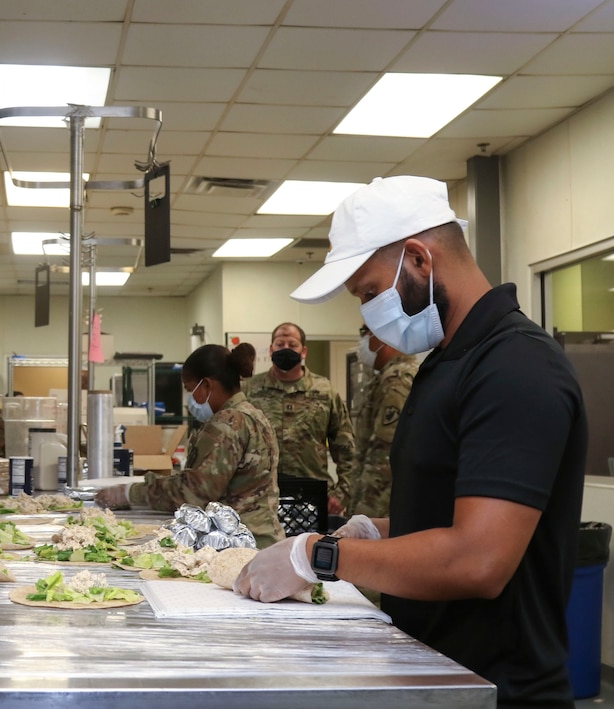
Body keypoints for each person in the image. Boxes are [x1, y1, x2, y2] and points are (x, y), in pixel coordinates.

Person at [235, 175, 587, 707]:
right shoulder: (447, 364)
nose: (367, 313)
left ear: (420, 259)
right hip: (434, 670)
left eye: (371, 292)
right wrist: (371, 533)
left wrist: (321, 556)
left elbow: (479, 558)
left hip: (498, 687)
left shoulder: (516, 368)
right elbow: (452, 516)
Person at [94, 343, 286, 548]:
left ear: (206, 386)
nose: (189, 400)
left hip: (238, 545)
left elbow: (193, 493)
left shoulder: (228, 422)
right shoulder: (253, 414)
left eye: (189, 390)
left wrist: (129, 493)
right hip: (262, 538)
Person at [243, 322, 356, 516]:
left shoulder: (324, 391)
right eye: (280, 344)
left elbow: (346, 448)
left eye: (292, 344)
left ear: (303, 351)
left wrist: (342, 493)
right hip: (261, 499)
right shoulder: (250, 390)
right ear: (271, 350)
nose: (285, 349)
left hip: (313, 497)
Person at [350, 324, 417, 518]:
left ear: (384, 335)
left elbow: (383, 456)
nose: (362, 342)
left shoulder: (396, 380)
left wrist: (366, 517)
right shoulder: (385, 377)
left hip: (383, 509)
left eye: (366, 333)